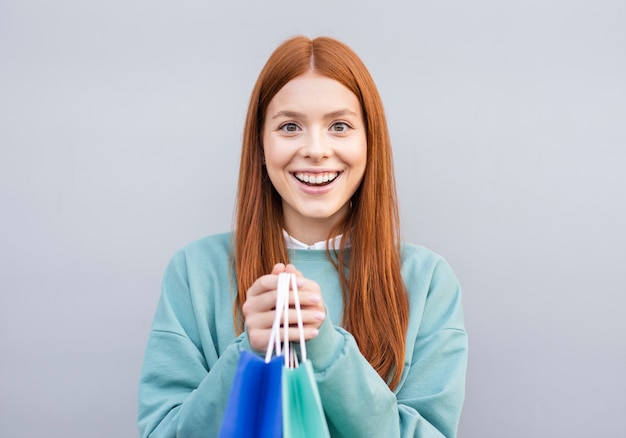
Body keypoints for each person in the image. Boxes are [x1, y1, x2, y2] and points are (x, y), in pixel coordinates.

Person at [138, 35, 467, 437]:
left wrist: (324, 347)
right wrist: (248, 353)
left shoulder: (427, 280)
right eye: (290, 126)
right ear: (260, 143)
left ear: (370, 142)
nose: (316, 149)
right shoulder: (194, 272)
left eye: (340, 126)